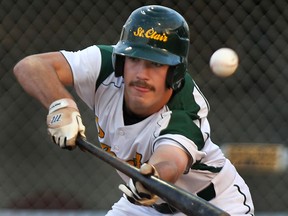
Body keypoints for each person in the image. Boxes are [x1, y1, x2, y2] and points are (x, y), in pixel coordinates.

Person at [13, 5, 254, 216]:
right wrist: (61, 104)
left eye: (156, 64)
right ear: (121, 60)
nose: (141, 74)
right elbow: (30, 66)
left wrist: (153, 179)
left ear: (175, 72)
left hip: (211, 202)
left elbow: (170, 161)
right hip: (144, 207)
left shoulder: (184, 110)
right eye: (134, 59)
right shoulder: (104, 66)